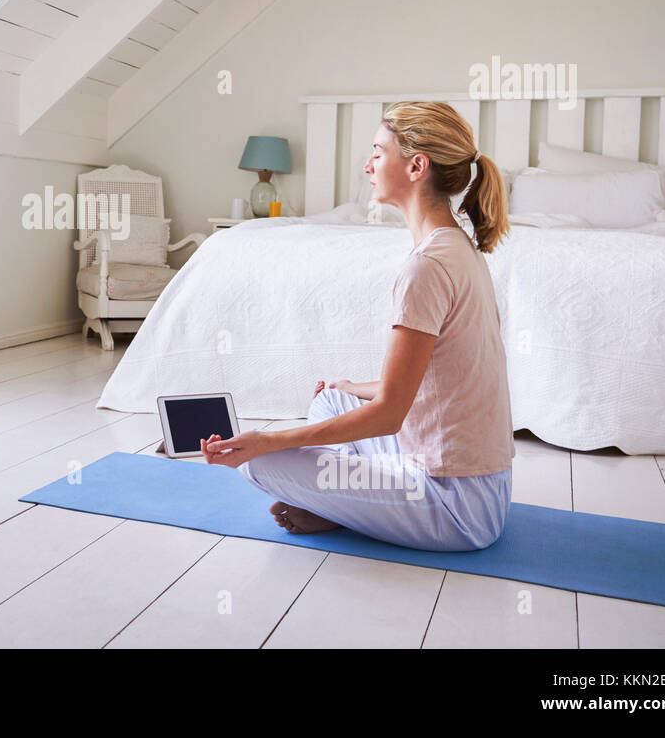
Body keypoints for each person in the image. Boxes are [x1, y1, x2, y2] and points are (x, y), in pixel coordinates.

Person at [201, 102, 516, 552]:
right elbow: (439, 380)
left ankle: (335, 507)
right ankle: (343, 503)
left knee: (261, 465)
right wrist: (354, 388)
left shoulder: (427, 266)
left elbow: (390, 414)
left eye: (377, 152)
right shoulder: (457, 248)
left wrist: (267, 441)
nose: (367, 165)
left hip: (458, 507)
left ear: (415, 166)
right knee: (334, 396)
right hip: (474, 483)